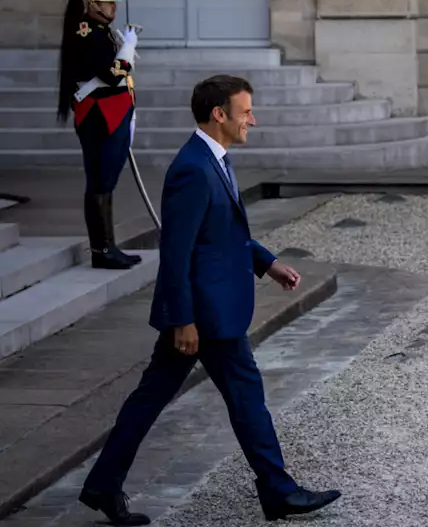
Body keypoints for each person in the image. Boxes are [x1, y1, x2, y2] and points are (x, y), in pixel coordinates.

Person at [78, 76, 341, 525]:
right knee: (245, 397)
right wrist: (183, 320)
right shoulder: (193, 169)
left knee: (155, 399)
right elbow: (177, 251)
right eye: (246, 113)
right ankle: (278, 491)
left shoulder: (212, 159)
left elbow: (222, 234)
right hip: (206, 315)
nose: (252, 121)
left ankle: (103, 484)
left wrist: (266, 261)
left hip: (208, 310)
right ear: (219, 114)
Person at [55, 0, 142, 270]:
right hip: (101, 114)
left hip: (112, 112)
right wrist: (128, 51)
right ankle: (102, 250)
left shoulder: (101, 31)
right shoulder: (88, 33)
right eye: (106, 2)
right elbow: (110, 75)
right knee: (101, 181)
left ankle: (107, 247)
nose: (112, 8)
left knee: (105, 182)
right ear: (91, 4)